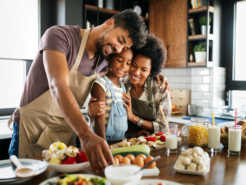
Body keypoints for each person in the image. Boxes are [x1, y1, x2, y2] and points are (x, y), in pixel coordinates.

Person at [8, 9, 147, 172]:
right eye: (120, 40)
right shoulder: (59, 36)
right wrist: (86, 134)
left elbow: (123, 77)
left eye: (124, 46)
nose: (118, 49)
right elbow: (58, 86)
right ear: (109, 24)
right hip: (33, 130)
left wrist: (156, 80)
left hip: (64, 135)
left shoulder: (102, 61)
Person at [89, 34, 171, 137]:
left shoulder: (160, 89)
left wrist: (133, 117)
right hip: (126, 140)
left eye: (144, 69)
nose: (136, 72)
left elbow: (163, 127)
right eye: (133, 65)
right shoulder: (121, 83)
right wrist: (91, 110)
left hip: (153, 141)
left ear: (152, 71)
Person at [91, 49, 133, 142]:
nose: (123, 66)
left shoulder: (122, 86)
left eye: (128, 63)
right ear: (108, 58)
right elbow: (99, 120)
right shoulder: (100, 84)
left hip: (120, 141)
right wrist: (103, 144)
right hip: (104, 141)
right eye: (119, 60)